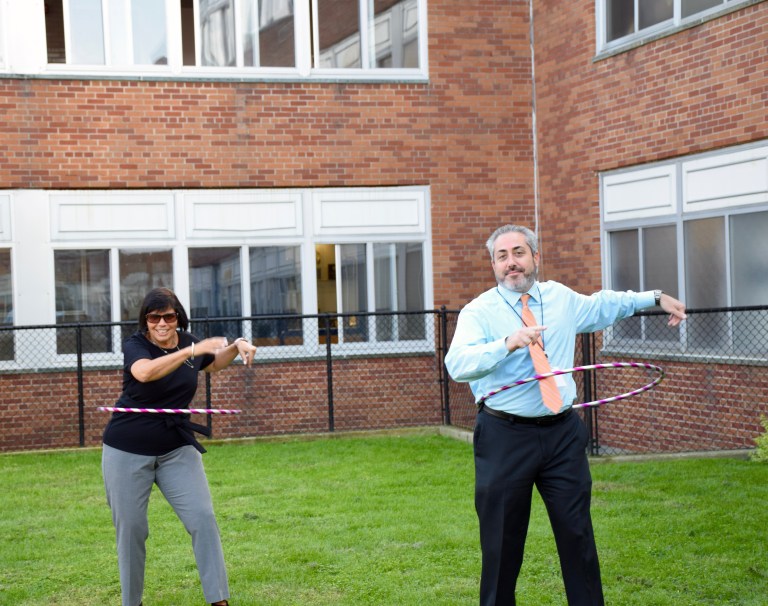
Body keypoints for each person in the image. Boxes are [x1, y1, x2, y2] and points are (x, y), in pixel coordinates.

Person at [444, 225, 686, 606]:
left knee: (578, 539)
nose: (512, 263)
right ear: (493, 264)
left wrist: (653, 297)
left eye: (519, 253)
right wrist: (507, 343)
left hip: (562, 435)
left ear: (535, 257)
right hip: (505, 437)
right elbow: (457, 364)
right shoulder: (479, 312)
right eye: (502, 256)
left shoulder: (560, 298)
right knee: (502, 547)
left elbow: (605, 305)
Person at [102, 287, 257, 606]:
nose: (161, 323)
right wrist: (190, 351)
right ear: (146, 320)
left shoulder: (189, 342)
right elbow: (145, 372)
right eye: (154, 317)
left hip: (176, 447)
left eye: (168, 316)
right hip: (127, 448)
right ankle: (132, 603)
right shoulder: (137, 345)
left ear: (178, 318)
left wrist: (237, 345)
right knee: (132, 530)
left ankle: (219, 600)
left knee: (203, 517)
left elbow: (213, 363)